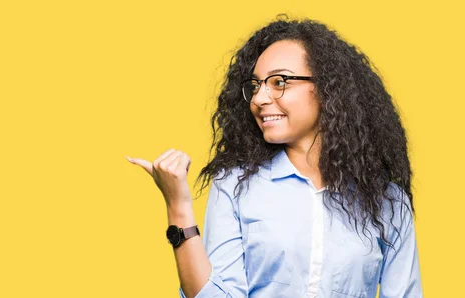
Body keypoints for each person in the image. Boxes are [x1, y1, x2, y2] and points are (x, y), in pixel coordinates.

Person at [126, 15, 422, 298]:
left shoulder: (388, 203)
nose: (259, 98)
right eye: (256, 85)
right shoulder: (235, 186)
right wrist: (178, 206)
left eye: (279, 82)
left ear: (328, 91)